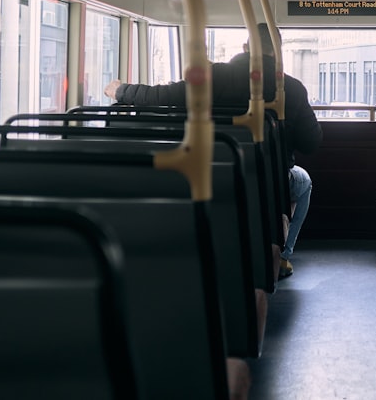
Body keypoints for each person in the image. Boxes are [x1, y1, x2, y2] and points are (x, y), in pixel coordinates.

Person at [104, 23, 321, 280]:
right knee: (303, 183)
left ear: (245, 48)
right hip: (267, 183)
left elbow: (162, 95)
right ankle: (281, 255)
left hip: (206, 173)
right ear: (278, 52)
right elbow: (310, 143)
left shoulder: (212, 76)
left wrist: (120, 90)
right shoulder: (291, 88)